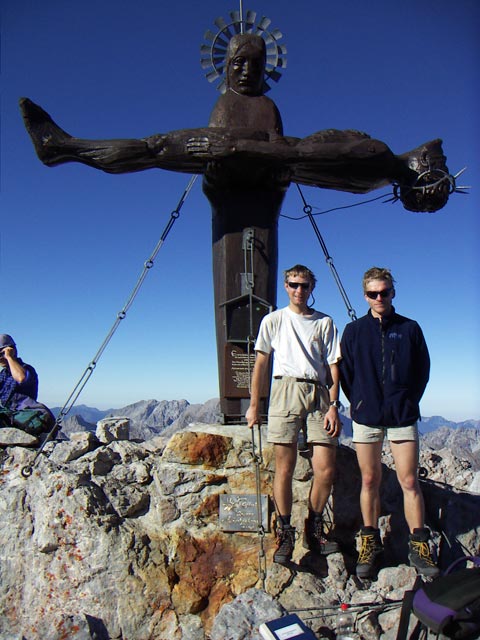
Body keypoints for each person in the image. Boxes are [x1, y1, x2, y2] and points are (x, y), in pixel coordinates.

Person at [340, 267, 439, 578]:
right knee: (369, 480)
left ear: (393, 293)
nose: (379, 297)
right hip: (366, 416)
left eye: (384, 292)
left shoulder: (410, 329)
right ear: (365, 296)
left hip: (401, 415)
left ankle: (419, 544)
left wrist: (408, 400)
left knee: (409, 481)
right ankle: (370, 542)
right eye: (373, 293)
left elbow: (422, 370)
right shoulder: (354, 331)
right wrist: (359, 401)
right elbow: (347, 375)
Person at [246, 264, 342, 564]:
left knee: (325, 469)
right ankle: (285, 532)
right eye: (293, 284)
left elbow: (333, 366)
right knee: (283, 468)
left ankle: (313, 527)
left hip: (318, 393)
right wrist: (253, 404)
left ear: (312, 288)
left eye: (304, 285)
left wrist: (335, 405)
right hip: (284, 390)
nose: (299, 290)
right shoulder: (273, 320)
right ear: (285, 286)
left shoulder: (324, 322)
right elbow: (261, 364)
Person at [0, 333, 54, 434]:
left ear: (12, 351)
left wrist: (9, 357)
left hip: (26, 415)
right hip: (10, 415)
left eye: (1, 354)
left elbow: (21, 378)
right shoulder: (3, 374)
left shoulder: (26, 369)